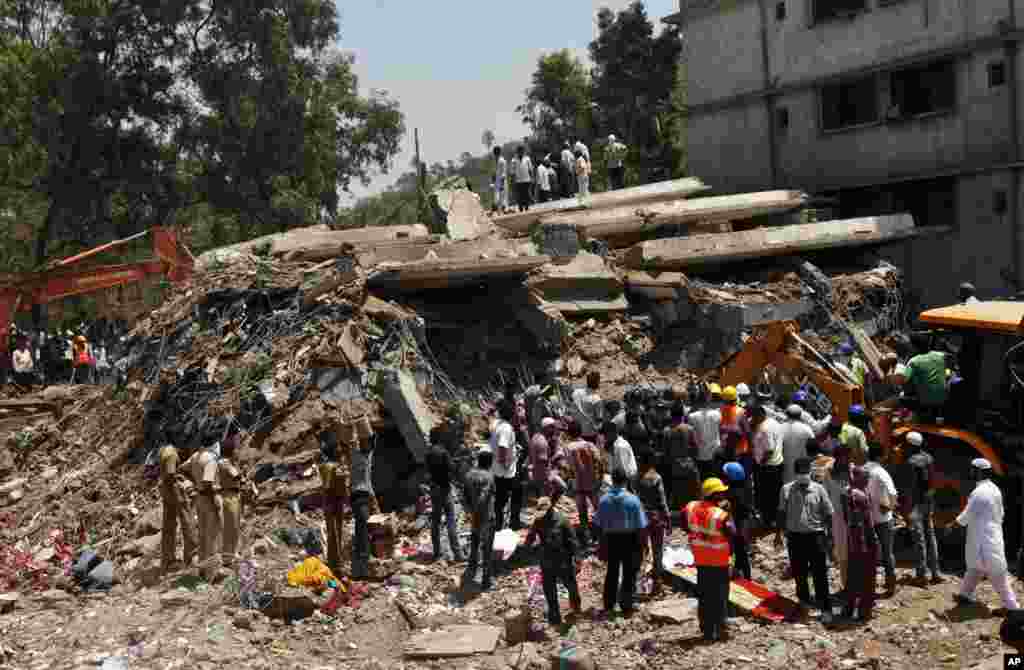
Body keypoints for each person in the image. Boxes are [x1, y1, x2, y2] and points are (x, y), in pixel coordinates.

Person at [954, 458, 1020, 610]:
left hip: (986, 538)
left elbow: (967, 515)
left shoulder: (979, 492)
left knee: (997, 573)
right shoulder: (994, 488)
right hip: (988, 534)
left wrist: (953, 524)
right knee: (974, 567)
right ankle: (965, 594)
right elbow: (1000, 514)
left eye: (972, 469)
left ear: (978, 472)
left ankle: (1012, 607)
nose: (970, 472)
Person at [776, 457, 834, 619]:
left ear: (809, 472)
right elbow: (781, 512)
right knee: (799, 572)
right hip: (795, 538)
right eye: (800, 473)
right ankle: (804, 604)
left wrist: (830, 536)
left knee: (820, 574)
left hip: (816, 536)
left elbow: (829, 513)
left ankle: (825, 608)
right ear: (796, 474)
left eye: (805, 472)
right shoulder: (786, 490)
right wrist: (778, 535)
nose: (803, 475)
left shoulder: (819, 489)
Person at [683, 477, 736, 642]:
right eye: (720, 493)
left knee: (705, 596)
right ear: (715, 495)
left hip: (701, 560)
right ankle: (720, 630)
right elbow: (732, 533)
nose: (722, 496)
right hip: (719, 562)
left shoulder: (690, 507)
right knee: (720, 596)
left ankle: (706, 630)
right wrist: (729, 514)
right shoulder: (720, 515)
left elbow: (685, 526)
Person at [595, 468, 648, 617]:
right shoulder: (633, 500)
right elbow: (641, 526)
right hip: (630, 540)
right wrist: (644, 545)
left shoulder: (604, 500)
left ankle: (609, 604)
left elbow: (598, 525)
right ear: (626, 480)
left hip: (611, 539)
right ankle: (626, 606)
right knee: (629, 573)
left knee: (612, 572)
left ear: (612, 480)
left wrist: (601, 544)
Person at [524, 495, 581, 625]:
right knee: (549, 591)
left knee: (571, 586)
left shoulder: (562, 521)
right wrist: (528, 546)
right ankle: (554, 616)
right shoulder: (538, 521)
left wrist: (577, 558)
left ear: (550, 510)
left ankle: (576, 608)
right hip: (547, 561)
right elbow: (531, 537)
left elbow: (573, 541)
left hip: (563, 561)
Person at [903, 431, 943, 586]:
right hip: (928, 502)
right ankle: (935, 572)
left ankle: (922, 576)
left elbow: (910, 487)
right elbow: (933, 482)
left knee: (919, 540)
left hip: (916, 505)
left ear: (909, 445)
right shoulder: (929, 458)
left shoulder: (911, 462)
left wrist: (907, 508)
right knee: (930, 537)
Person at [182, 434, 223, 580]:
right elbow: (208, 482)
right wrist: (215, 502)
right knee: (212, 535)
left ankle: (201, 570)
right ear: (213, 445)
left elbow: (182, 469)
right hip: (209, 498)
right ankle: (211, 574)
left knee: (202, 535)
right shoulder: (211, 459)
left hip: (199, 498)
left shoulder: (195, 456)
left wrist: (192, 485)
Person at [843, 465, 879, 621]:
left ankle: (849, 608)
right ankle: (864, 611)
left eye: (868, 478)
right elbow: (861, 522)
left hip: (854, 541)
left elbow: (848, 519)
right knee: (867, 576)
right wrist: (871, 539)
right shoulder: (858, 496)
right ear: (856, 477)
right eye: (865, 478)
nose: (867, 480)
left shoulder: (848, 492)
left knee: (853, 575)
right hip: (863, 542)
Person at [426, 427, 465, 562]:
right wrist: (456, 463)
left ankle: (437, 553)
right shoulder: (443, 452)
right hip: (444, 489)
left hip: (434, 489)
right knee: (450, 520)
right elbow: (452, 469)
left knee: (435, 521)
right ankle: (458, 554)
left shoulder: (429, 453)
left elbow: (428, 470)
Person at [864, 444, 898, 596]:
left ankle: (868, 585)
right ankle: (890, 585)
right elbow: (892, 492)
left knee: (868, 553)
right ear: (880, 457)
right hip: (883, 519)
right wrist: (890, 506)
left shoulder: (862, 469)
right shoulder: (880, 471)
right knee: (887, 552)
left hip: (866, 518)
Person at [159, 439, 197, 572]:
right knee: (187, 521)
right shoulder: (172, 454)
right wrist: (181, 479)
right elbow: (170, 474)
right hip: (174, 489)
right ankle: (191, 555)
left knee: (169, 525)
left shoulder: (164, 449)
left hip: (166, 489)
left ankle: (167, 559)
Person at [636, 449, 671, 592]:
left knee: (642, 550)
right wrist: (668, 519)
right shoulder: (656, 478)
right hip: (655, 518)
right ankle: (657, 582)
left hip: (641, 517)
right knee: (657, 550)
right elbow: (662, 501)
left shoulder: (636, 477)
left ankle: (640, 584)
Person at [463, 449, 497, 591]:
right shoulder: (489, 477)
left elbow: (464, 496)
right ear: (489, 462)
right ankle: (486, 581)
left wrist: (470, 511)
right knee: (487, 548)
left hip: (474, 515)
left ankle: (472, 566)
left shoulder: (469, 475)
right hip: (486, 516)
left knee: (475, 540)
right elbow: (485, 496)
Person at [566, 419, 603, 546]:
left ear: (568, 434)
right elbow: (599, 461)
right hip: (592, 484)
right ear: (581, 432)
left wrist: (570, 483)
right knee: (598, 510)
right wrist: (599, 479)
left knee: (582, 513)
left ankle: (587, 539)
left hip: (578, 486)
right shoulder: (590, 445)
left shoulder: (568, 448)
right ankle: (600, 536)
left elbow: (567, 468)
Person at [896, 333, 948, 419]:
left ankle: (903, 419)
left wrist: (900, 365)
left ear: (914, 346)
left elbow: (903, 380)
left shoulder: (913, 361)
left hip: (924, 402)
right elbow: (949, 358)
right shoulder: (941, 356)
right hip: (942, 399)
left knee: (901, 395)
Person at [349, 415, 376, 579]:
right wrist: (354, 426)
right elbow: (351, 442)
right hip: (358, 496)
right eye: (365, 442)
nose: (368, 445)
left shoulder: (368, 456)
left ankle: (362, 561)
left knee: (363, 528)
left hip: (365, 496)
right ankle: (362, 564)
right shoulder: (355, 455)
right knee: (363, 528)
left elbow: (372, 442)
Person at [318, 428, 348, 576]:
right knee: (336, 533)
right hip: (334, 502)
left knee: (333, 533)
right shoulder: (333, 467)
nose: (340, 450)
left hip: (329, 502)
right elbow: (334, 487)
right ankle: (336, 566)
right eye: (337, 448)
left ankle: (333, 562)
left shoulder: (324, 466)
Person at [824, 443, 851, 595]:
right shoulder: (828, 473)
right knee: (842, 552)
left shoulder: (853, 470)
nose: (846, 460)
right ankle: (846, 584)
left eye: (847, 457)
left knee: (854, 550)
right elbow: (826, 496)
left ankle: (856, 584)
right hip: (837, 518)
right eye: (843, 457)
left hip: (854, 518)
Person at [751, 404, 785, 528]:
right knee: (774, 494)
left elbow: (769, 450)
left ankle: (768, 521)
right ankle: (774, 519)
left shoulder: (764, 428)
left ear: (759, 415)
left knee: (766, 496)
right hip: (777, 465)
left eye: (753, 417)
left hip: (767, 467)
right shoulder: (773, 422)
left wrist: (761, 463)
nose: (752, 420)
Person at [663, 401, 699, 509]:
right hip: (689, 465)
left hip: (674, 467)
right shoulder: (689, 429)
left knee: (678, 494)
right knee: (691, 493)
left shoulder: (667, 430)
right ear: (682, 414)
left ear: (671, 414)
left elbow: (666, 451)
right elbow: (695, 447)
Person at [218, 428, 244, 567]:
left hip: (231, 495)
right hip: (229, 496)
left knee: (232, 526)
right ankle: (228, 557)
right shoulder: (225, 463)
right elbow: (236, 475)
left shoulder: (224, 461)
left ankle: (231, 554)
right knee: (231, 527)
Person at [723, 462, 752, 580]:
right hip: (744, 526)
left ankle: (746, 578)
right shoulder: (746, 489)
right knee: (741, 554)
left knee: (740, 553)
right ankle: (744, 576)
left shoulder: (731, 493)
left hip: (737, 526)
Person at [689, 387, 722, 481]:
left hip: (700, 454)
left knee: (702, 480)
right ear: (709, 399)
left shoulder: (692, 416)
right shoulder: (717, 414)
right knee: (715, 479)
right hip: (715, 454)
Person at [781, 404, 815, 485]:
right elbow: (813, 449)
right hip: (803, 470)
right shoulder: (807, 429)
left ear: (787, 414)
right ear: (800, 415)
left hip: (785, 470)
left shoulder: (779, 428)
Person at [529, 418, 558, 497]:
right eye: (553, 427)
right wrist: (548, 480)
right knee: (562, 487)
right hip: (542, 479)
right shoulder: (542, 442)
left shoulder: (535, 436)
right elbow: (542, 463)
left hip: (536, 475)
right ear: (547, 428)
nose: (554, 430)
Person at [572, 371, 604, 442]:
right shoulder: (596, 399)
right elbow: (599, 418)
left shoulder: (576, 392)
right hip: (590, 433)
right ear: (597, 382)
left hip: (576, 430)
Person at [605, 421, 637, 486]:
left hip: (626, 481)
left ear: (612, 433)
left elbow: (624, 470)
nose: (605, 437)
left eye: (606, 434)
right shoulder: (614, 444)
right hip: (619, 479)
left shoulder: (620, 447)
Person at [511, 146, 534, 212]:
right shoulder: (514, 160)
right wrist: (512, 180)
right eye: (519, 151)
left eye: (522, 151)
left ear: (523, 152)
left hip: (526, 179)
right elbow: (512, 172)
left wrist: (532, 177)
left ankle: (527, 207)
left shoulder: (527, 159)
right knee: (519, 195)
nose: (520, 153)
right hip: (518, 181)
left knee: (526, 194)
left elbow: (530, 169)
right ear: (517, 152)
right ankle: (520, 207)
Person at [492, 146, 509, 213]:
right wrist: (493, 180)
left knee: (502, 197)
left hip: (502, 181)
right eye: (494, 153)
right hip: (497, 181)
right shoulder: (495, 161)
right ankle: (497, 210)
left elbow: (503, 173)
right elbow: (495, 172)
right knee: (496, 198)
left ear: (499, 153)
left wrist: (501, 184)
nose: (495, 154)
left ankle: (504, 210)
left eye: (496, 153)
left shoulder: (502, 161)